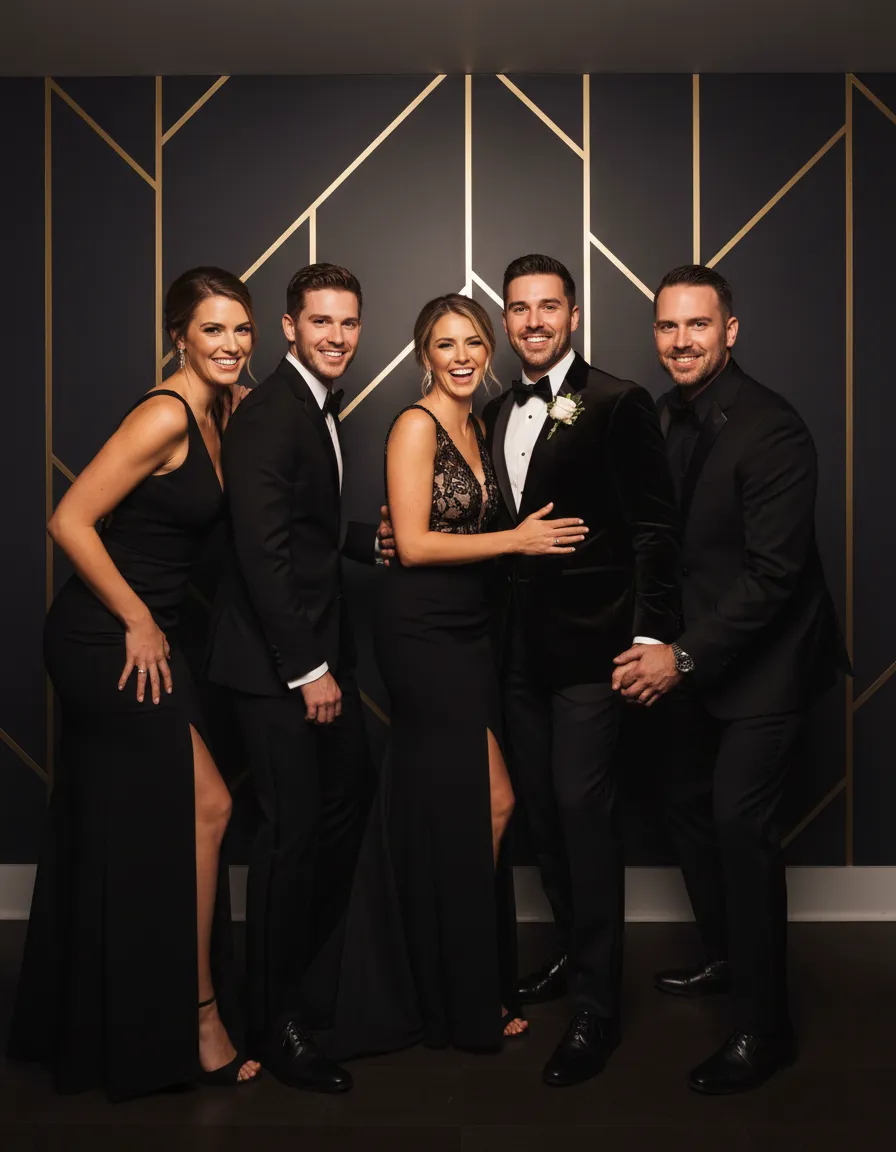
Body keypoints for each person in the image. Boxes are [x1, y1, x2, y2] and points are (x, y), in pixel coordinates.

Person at [308, 292, 588, 1060]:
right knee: (488, 803)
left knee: (446, 811)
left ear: (487, 349)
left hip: (474, 634)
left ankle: (432, 980)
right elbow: (421, 546)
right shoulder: (414, 425)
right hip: (422, 635)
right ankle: (456, 996)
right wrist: (517, 541)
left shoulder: (480, 421)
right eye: (444, 344)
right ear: (422, 355)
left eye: (472, 341)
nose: (461, 355)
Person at [8, 267, 261, 1099]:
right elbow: (69, 519)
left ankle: (94, 1016)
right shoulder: (163, 413)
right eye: (212, 330)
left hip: (148, 637)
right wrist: (139, 621)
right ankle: (195, 1016)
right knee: (210, 806)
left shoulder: (222, 410)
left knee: (145, 820)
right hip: (106, 636)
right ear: (178, 336)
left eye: (241, 330)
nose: (229, 345)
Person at [612, 264, 850, 1094]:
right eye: (668, 328)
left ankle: (765, 1028)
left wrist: (677, 658)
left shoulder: (773, 429)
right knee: (683, 806)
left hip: (768, 662)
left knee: (738, 825)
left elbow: (773, 578)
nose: (681, 342)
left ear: (731, 331)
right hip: (700, 655)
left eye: (698, 327)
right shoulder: (664, 418)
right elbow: (658, 540)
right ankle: (724, 954)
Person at [483, 254, 681, 1087]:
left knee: (582, 808)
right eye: (519, 309)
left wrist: (650, 635)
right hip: (513, 653)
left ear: (573, 315)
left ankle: (599, 1005)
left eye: (547, 307)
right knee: (538, 810)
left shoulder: (619, 401)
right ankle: (570, 949)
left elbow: (655, 531)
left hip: (595, 649)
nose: (532, 322)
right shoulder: (493, 409)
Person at [205, 263, 392, 1093]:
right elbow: (261, 552)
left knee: (343, 803)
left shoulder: (313, 405)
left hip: (317, 654)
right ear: (289, 326)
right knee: (287, 839)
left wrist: (366, 540)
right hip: (276, 666)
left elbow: (299, 521)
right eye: (321, 322)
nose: (338, 337)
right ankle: (274, 1021)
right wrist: (309, 669)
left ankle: (307, 984)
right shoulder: (271, 413)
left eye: (349, 323)